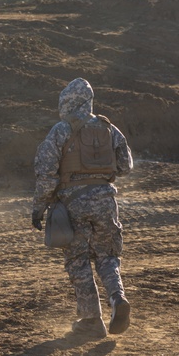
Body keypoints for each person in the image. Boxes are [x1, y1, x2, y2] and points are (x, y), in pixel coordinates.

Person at [32, 77, 134, 338]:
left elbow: (46, 172)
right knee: (107, 255)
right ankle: (116, 297)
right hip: (106, 200)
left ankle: (91, 321)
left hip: (73, 202)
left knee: (78, 260)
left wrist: (39, 207)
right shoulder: (109, 128)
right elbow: (125, 166)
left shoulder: (61, 129)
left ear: (66, 101)